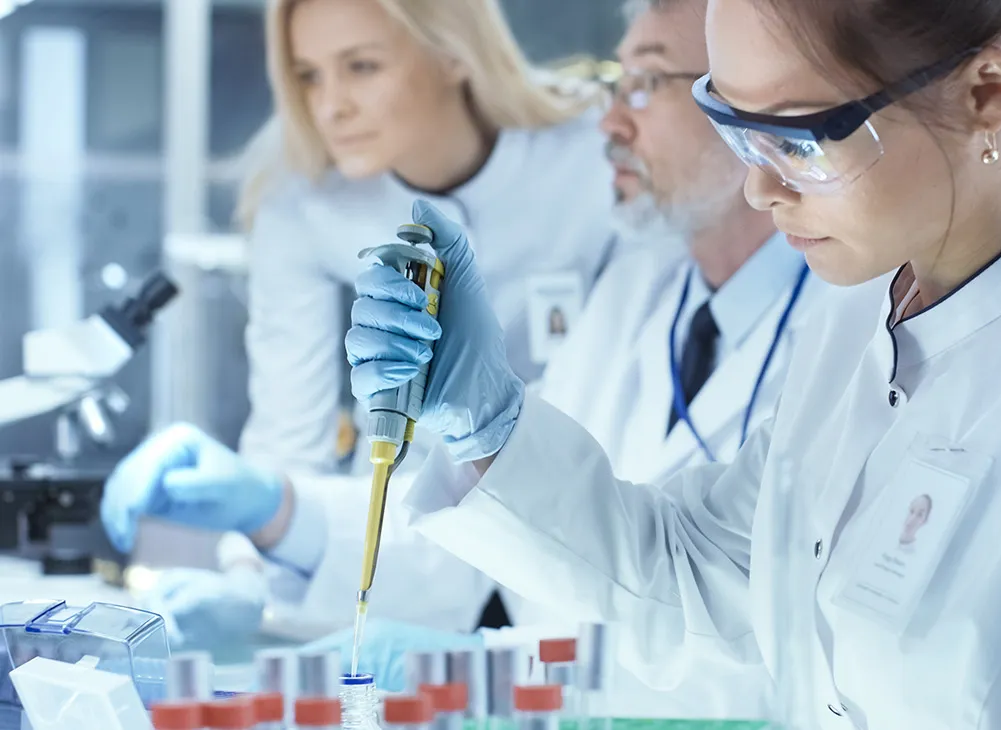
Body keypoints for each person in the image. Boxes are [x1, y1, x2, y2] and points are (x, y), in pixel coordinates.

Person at [346, 0, 1001, 725]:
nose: (759, 191)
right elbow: (706, 569)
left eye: (799, 139)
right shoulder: (858, 320)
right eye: (731, 129)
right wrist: (485, 423)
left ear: (986, 91)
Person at [310, 0, 817, 717]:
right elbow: (541, 540)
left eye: (645, 84)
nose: (610, 123)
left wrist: (480, 673)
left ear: (758, 104)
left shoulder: (849, 324)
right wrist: (279, 516)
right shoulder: (636, 289)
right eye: (615, 86)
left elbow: (750, 636)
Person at [99, 0, 615, 646]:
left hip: (589, 541)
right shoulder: (303, 200)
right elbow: (290, 439)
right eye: (308, 75)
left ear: (456, 51)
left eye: (362, 67)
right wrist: (247, 580)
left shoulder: (594, 154)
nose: (330, 106)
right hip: (402, 549)